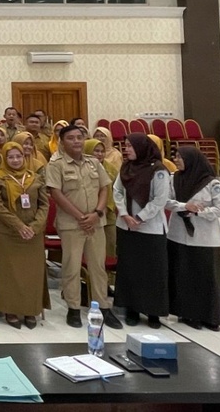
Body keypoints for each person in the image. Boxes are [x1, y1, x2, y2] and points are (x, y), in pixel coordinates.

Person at [46, 124, 121, 330]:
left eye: (79, 137)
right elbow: (57, 194)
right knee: (71, 266)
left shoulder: (93, 163)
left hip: (96, 222)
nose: (76, 141)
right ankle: (73, 308)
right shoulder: (56, 164)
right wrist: (81, 217)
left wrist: (97, 213)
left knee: (98, 266)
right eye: (71, 138)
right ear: (62, 142)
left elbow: (105, 188)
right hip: (72, 224)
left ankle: (104, 307)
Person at [113, 134, 172, 329]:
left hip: (150, 228)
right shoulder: (126, 168)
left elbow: (159, 199)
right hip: (126, 226)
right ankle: (132, 309)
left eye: (130, 146)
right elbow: (117, 191)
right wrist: (124, 214)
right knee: (130, 269)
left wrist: (139, 217)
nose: (126, 149)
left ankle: (153, 312)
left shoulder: (159, 171)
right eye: (125, 146)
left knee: (152, 271)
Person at [0, 142, 49, 328]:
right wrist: (19, 226)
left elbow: (44, 204)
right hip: (7, 234)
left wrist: (35, 227)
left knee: (32, 274)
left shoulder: (34, 177)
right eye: (11, 157)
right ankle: (10, 310)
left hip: (33, 235)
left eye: (19, 156)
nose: (15, 160)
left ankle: (30, 310)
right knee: (9, 274)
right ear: (5, 159)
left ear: (24, 157)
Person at [167, 147, 220, 331]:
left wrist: (200, 211)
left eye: (180, 157)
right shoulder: (173, 179)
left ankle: (210, 316)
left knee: (207, 277)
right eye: (175, 156)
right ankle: (188, 313)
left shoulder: (211, 183)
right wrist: (185, 206)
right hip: (179, 235)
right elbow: (167, 201)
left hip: (205, 238)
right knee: (184, 275)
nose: (176, 160)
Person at [92, 127, 123, 258]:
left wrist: (106, 208)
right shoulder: (81, 167)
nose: (99, 154)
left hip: (108, 214)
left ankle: (110, 279)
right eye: (96, 151)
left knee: (109, 249)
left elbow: (116, 190)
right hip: (87, 215)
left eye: (101, 151)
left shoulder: (111, 168)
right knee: (92, 252)